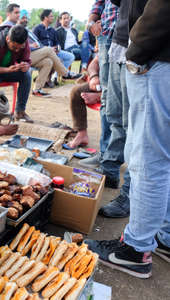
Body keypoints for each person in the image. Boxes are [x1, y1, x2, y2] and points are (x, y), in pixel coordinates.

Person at [86, 0, 170, 278]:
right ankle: (165, 236)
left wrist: (136, 51)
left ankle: (135, 250)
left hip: (157, 56)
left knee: (148, 161)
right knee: (162, 158)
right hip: (158, 53)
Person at [98, 0, 131, 217]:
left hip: (138, 47)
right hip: (117, 43)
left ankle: (130, 194)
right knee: (115, 114)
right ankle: (109, 166)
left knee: (134, 126)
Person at [78, 0, 118, 170]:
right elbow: (97, 7)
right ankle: (104, 155)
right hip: (106, 36)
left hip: (126, 37)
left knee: (117, 105)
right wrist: (91, 24)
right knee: (107, 102)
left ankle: (112, 162)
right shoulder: (100, 32)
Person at [19, 11, 82, 97]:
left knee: (48, 62)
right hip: (26, 55)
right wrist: (32, 46)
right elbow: (18, 45)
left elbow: (53, 43)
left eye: (26, 18)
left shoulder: (28, 30)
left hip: (41, 53)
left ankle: (37, 90)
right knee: (48, 50)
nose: (26, 20)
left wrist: (56, 48)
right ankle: (65, 74)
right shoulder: (19, 29)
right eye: (23, 18)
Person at [0, 25, 32, 123]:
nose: (17, 50)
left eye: (20, 47)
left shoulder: (23, 43)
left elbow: (27, 60)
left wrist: (25, 65)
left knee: (26, 76)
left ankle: (20, 111)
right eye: (14, 47)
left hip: (8, 70)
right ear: (7, 38)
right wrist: (8, 70)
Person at [68, 56, 101, 148]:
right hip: (102, 82)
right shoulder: (107, 43)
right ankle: (82, 134)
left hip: (119, 86)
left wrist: (99, 96)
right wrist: (94, 77)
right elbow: (93, 63)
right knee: (77, 92)